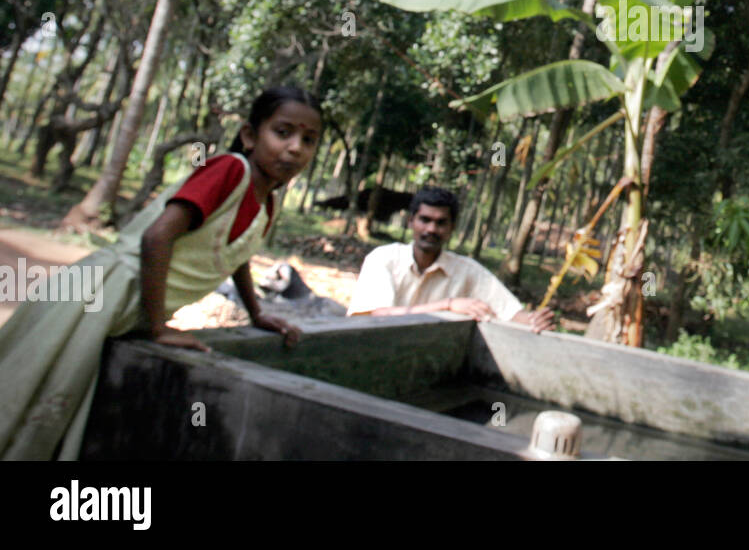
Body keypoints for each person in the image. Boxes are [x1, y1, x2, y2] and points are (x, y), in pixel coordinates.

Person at [0, 85, 323, 460]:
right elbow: (157, 237)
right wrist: (158, 328)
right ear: (250, 136)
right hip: (100, 295)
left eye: (308, 139)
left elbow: (237, 253)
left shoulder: (269, 201)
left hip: (125, 308)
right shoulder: (229, 170)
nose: (295, 147)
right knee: (28, 400)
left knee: (56, 411)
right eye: (283, 132)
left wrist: (256, 313)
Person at [348, 187, 555, 333]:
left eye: (440, 223)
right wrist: (448, 305)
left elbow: (509, 312)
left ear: (451, 228)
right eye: (425, 220)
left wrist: (533, 321)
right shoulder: (384, 258)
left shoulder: (467, 271)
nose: (431, 229)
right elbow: (378, 315)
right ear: (411, 221)